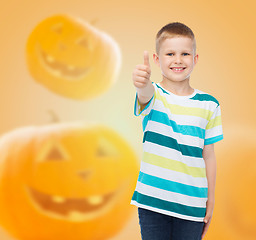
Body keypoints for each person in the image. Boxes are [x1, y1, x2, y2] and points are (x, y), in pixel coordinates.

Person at [130, 22, 224, 240]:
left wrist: (211, 199)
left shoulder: (210, 104)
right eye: (170, 53)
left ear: (195, 58)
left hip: (193, 205)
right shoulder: (154, 95)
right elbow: (144, 93)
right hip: (153, 203)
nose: (178, 60)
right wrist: (141, 83)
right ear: (157, 59)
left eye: (185, 53)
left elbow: (208, 155)